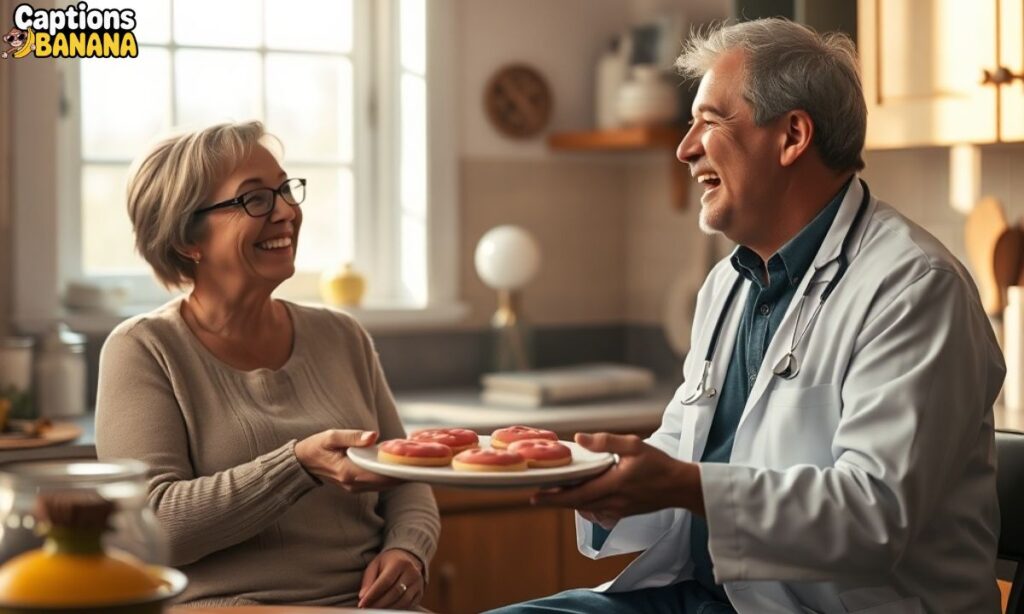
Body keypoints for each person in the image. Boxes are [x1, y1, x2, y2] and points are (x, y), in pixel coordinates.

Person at [490, 18, 1004, 614]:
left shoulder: (914, 288)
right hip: (699, 598)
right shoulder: (727, 283)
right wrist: (607, 483)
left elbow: (872, 516)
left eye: (709, 121)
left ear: (792, 136)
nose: (685, 148)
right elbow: (685, 448)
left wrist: (681, 485)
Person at [95, 122, 439, 609]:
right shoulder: (144, 349)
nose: (286, 211)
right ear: (186, 240)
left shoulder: (343, 336)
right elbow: (149, 528)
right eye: (254, 199)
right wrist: (297, 464)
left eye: (284, 189)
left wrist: (409, 550)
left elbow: (406, 475)